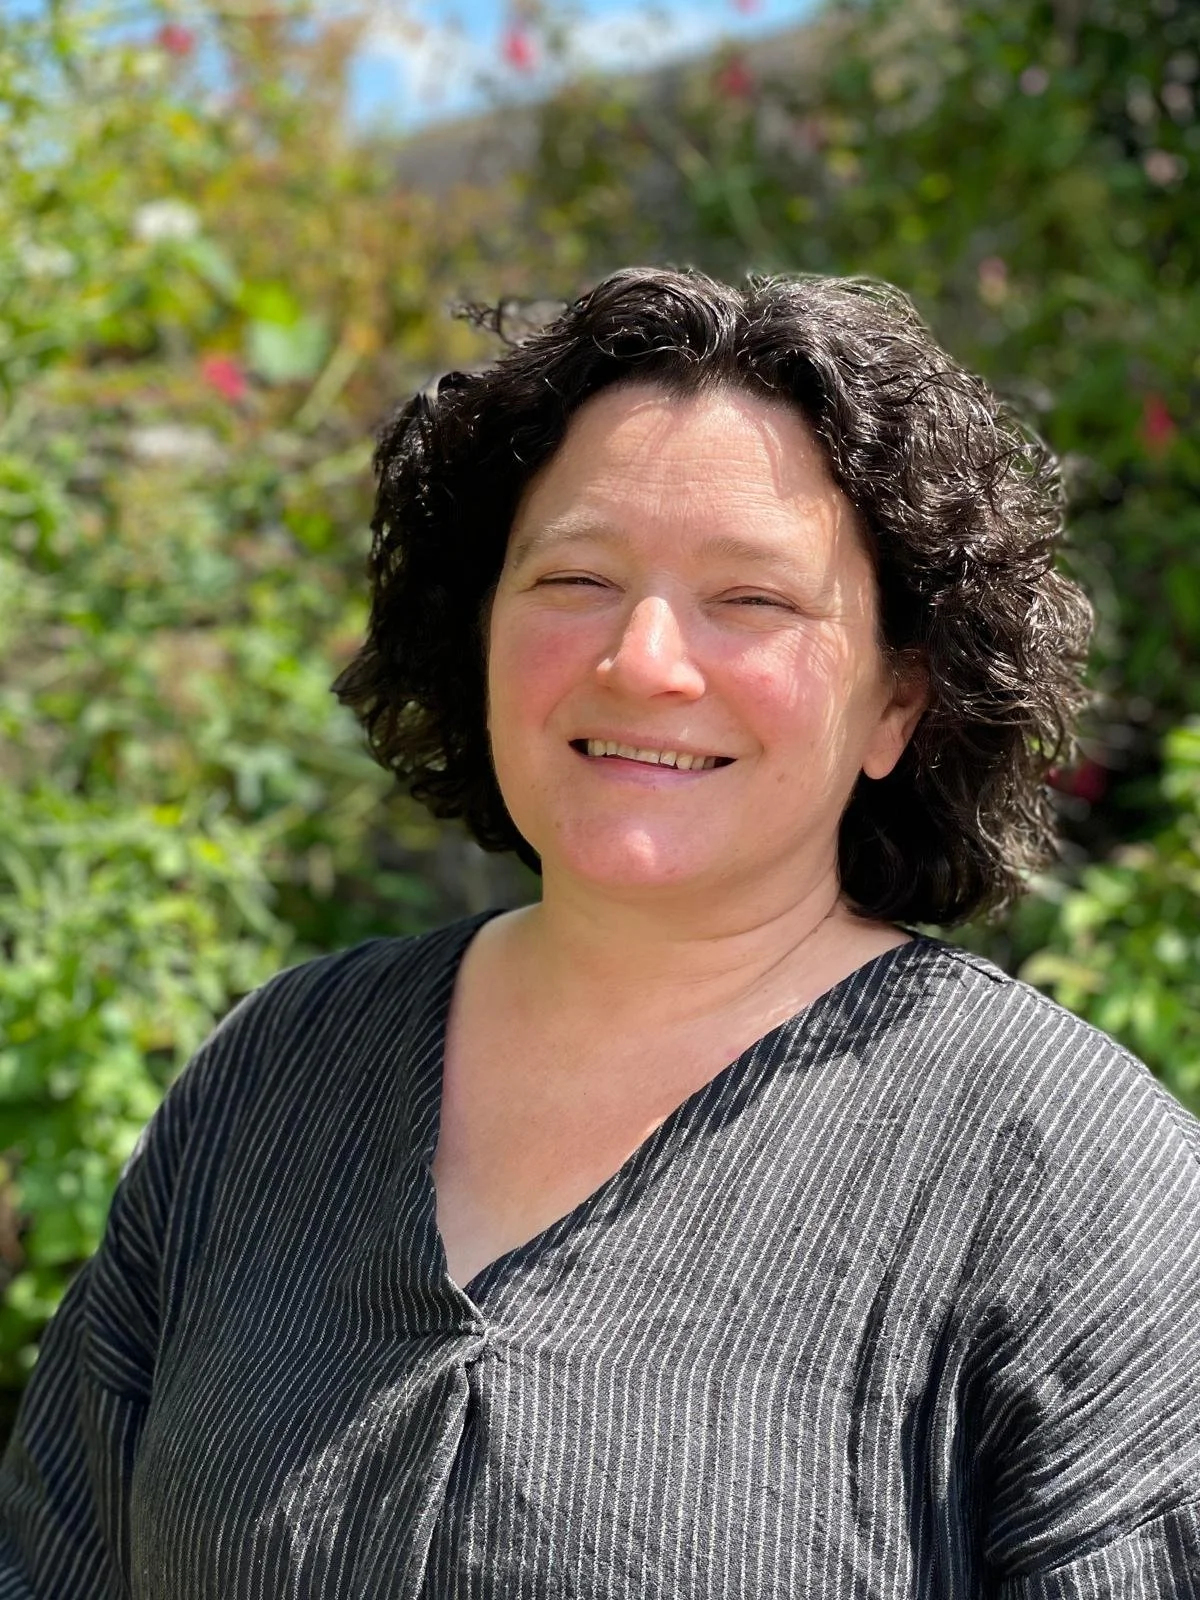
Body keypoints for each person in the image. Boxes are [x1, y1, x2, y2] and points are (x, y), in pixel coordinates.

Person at [1, 265, 1198, 1600]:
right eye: (576, 574)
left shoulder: (1069, 1186)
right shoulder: (277, 1082)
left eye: (751, 599)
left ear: (897, 704)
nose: (642, 659)